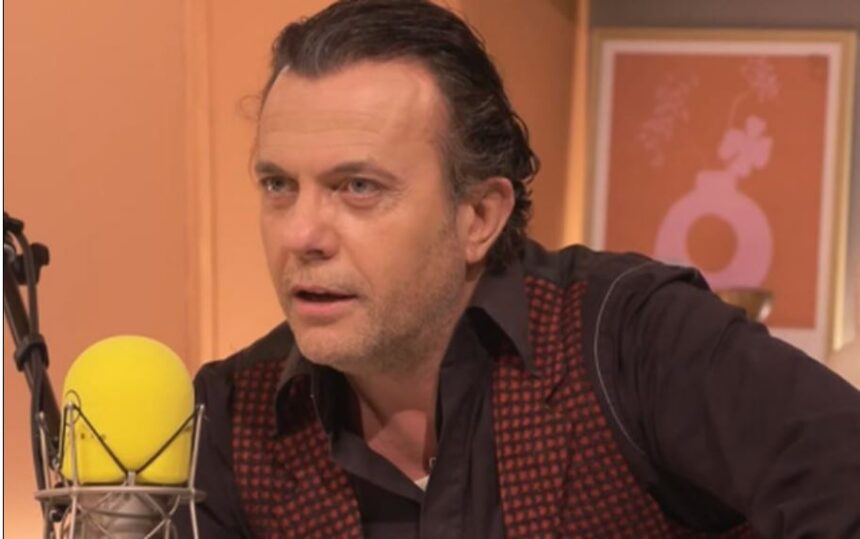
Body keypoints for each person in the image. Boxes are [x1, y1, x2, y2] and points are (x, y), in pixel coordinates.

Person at [176, 1, 860, 537]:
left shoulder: (633, 338)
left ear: (479, 215)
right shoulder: (229, 419)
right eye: (278, 185)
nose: (301, 234)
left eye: (358, 187)